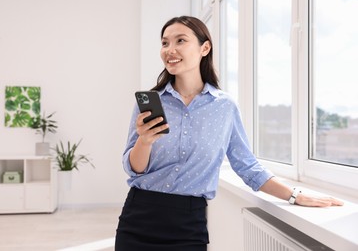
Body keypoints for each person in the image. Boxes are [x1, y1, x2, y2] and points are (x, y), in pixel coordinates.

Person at [115, 15, 344, 251]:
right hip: (138, 216)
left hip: (188, 223)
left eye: (180, 41)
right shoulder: (152, 103)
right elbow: (133, 167)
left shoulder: (224, 107)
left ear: (205, 48)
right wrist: (144, 140)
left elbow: (247, 165)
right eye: (164, 43)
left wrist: (294, 195)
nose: (170, 50)